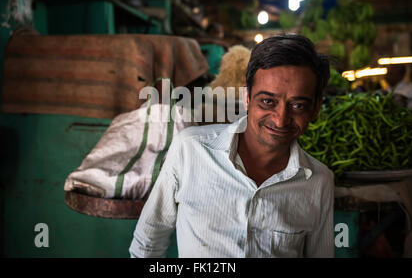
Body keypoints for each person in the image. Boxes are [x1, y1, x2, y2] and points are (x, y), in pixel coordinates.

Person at [129, 34, 334, 258]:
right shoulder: (190, 150)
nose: (280, 119)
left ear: (315, 109)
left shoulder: (319, 181)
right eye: (267, 101)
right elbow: (148, 244)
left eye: (298, 105)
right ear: (247, 98)